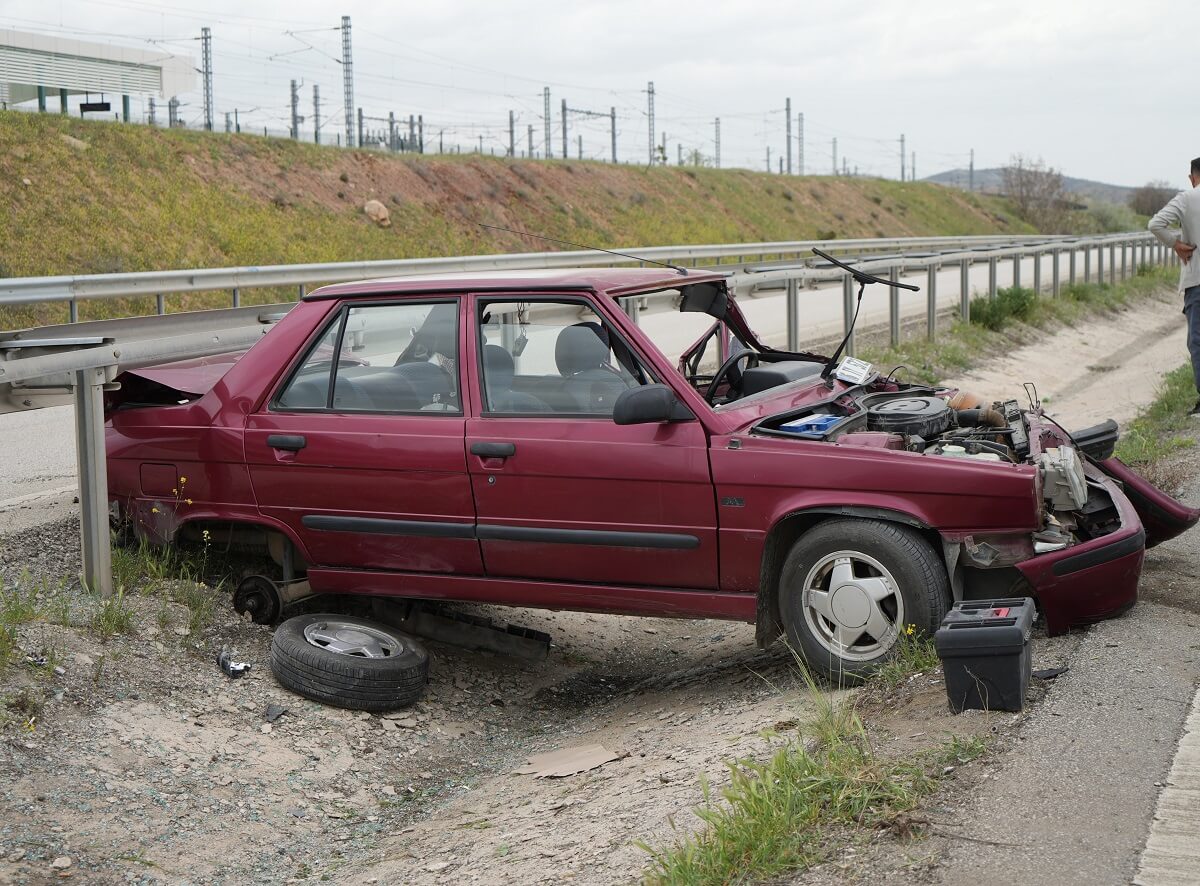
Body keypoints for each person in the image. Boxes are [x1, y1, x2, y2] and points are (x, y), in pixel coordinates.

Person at [1149, 157, 1200, 416]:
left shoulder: (1187, 198)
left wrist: (1176, 244)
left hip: (1197, 279)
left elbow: (1155, 224)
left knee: (1198, 340)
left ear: (1193, 177)